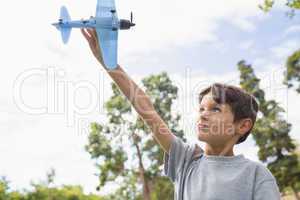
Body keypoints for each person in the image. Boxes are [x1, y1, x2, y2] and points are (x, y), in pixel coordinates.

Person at [81, 28, 281, 200]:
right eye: (201, 109)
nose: (203, 115)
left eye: (215, 109)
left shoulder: (256, 175)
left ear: (243, 125)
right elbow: (147, 110)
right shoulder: (186, 160)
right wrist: (109, 64)